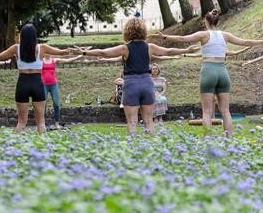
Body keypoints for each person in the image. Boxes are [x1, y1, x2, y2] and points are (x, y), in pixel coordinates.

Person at [70, 18, 200, 135]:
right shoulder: (150, 47)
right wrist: (187, 50)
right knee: (149, 121)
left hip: (131, 84)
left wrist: (83, 51)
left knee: (132, 121)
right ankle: (152, 152)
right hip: (147, 83)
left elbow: (104, 53)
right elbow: (169, 51)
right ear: (143, 31)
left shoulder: (125, 48)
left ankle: (135, 152)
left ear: (127, 32)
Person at [153, 9, 263, 135]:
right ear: (218, 22)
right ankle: (228, 139)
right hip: (223, 71)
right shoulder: (225, 35)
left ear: (206, 21)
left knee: (207, 111)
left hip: (208, 70)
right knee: (225, 111)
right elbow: (245, 42)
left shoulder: (203, 34)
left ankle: (208, 140)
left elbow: (182, 38)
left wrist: (164, 36)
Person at [0, 23, 76, 134]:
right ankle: (45, 149)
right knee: (41, 123)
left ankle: (13, 148)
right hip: (37, 83)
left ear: (22, 36)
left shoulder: (16, 48)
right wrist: (76, 51)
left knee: (21, 122)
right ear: (34, 36)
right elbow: (62, 52)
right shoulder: (42, 48)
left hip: (23, 83)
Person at [41, 54, 83, 129]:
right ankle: (43, 123)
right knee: (44, 104)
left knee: (56, 104)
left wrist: (78, 56)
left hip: (53, 85)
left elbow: (67, 60)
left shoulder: (54, 60)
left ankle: (57, 123)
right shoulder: (40, 61)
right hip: (44, 85)